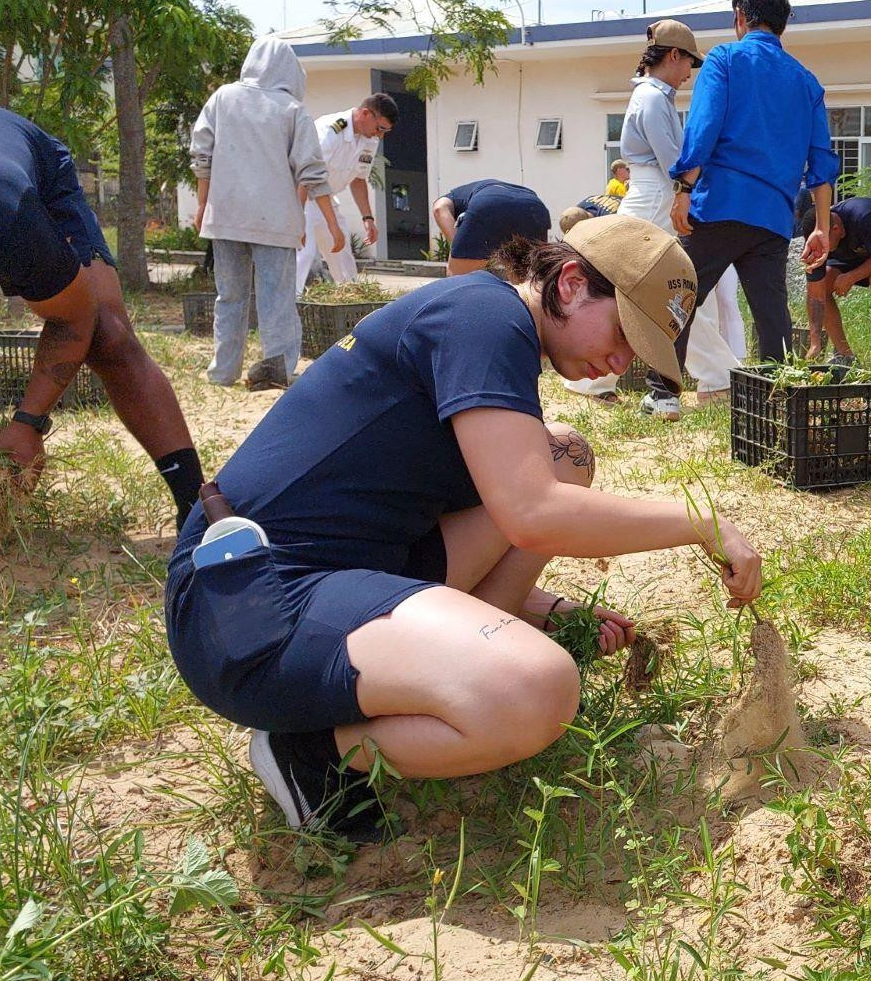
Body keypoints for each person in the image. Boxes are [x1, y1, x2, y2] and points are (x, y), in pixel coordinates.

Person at [163, 214, 764, 842]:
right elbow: (531, 513)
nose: (619, 361)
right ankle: (311, 751)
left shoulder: (492, 319)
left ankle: (474, 637)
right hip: (248, 608)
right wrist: (701, 523)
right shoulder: (484, 320)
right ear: (571, 283)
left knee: (566, 453)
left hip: (340, 569)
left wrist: (537, 605)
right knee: (537, 690)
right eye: (622, 334)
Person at [0, 97, 203, 522]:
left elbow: (72, 317)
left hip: (14, 169)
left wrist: (28, 421)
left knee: (107, 334)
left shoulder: (0, 213)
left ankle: (196, 507)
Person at [647, 0, 838, 419]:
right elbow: (822, 161)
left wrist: (684, 189)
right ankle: (779, 402)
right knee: (770, 312)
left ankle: (663, 395)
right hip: (773, 217)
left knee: (679, 292)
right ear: (783, 25)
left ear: (739, 16)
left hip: (721, 205)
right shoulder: (806, 82)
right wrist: (822, 228)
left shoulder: (725, 59)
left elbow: (703, 129)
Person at [612, 20, 747, 409]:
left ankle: (716, 376)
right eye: (689, 62)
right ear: (673, 55)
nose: (690, 73)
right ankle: (718, 377)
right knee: (674, 289)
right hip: (657, 195)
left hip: (650, 192)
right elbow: (675, 162)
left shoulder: (651, 97)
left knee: (661, 289)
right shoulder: (654, 99)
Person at [191, 37, 338, 390]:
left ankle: (223, 371)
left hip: (225, 216)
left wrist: (201, 205)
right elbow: (311, 172)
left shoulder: (222, 98)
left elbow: (202, 155)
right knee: (277, 300)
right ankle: (277, 371)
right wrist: (332, 224)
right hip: (274, 222)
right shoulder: (292, 110)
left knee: (230, 297)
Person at [795, 192, 871, 371]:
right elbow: (814, 293)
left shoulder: (863, 214)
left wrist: (851, 277)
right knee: (824, 285)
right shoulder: (815, 242)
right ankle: (844, 355)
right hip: (857, 250)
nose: (821, 248)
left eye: (825, 243)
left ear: (836, 230)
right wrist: (815, 342)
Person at [296, 94, 396, 288]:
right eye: (380, 128)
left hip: (326, 197)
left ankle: (350, 304)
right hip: (301, 195)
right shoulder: (330, 130)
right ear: (366, 113)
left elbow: (358, 179)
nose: (380, 135)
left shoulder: (370, 140)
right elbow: (308, 177)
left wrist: (368, 218)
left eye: (385, 131)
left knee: (342, 255)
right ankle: (293, 306)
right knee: (303, 254)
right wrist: (304, 217)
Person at [433, 179, 550, 276]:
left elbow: (439, 208)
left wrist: (458, 245)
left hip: (489, 202)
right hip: (534, 206)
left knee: (459, 280)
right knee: (531, 280)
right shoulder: (470, 191)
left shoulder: (451, 198)